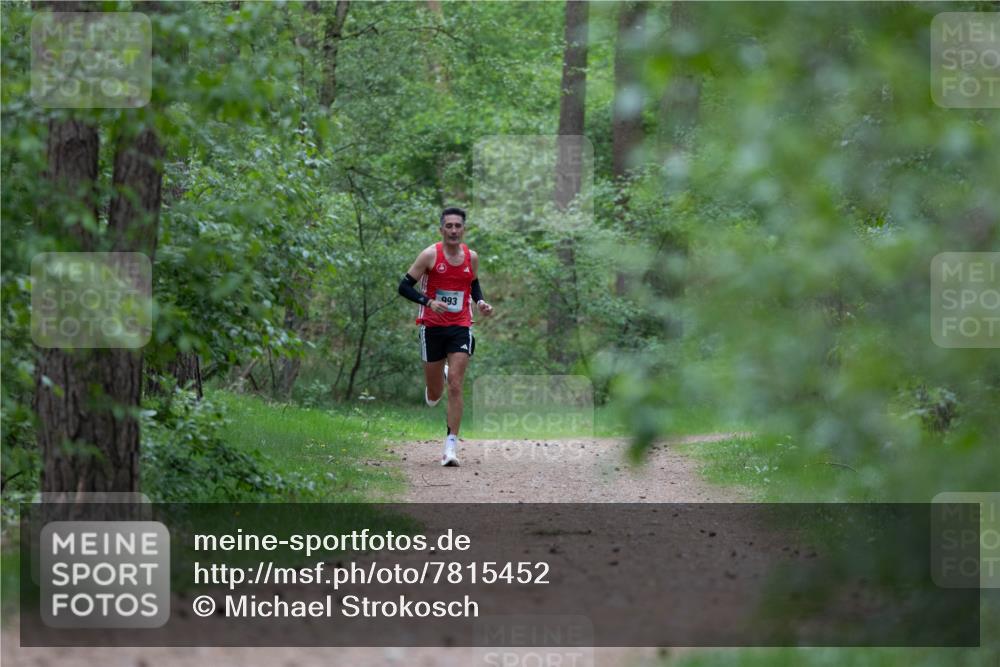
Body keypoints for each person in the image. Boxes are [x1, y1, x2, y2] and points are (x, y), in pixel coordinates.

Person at [397, 207, 493, 466]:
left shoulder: (471, 257)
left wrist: (481, 301)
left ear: (463, 229)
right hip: (431, 327)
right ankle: (437, 379)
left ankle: (450, 447)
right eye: (448, 226)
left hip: (460, 325)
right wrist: (428, 302)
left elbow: (472, 283)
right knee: (435, 393)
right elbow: (404, 287)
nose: (453, 230)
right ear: (441, 230)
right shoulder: (430, 255)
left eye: (457, 226)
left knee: (457, 385)